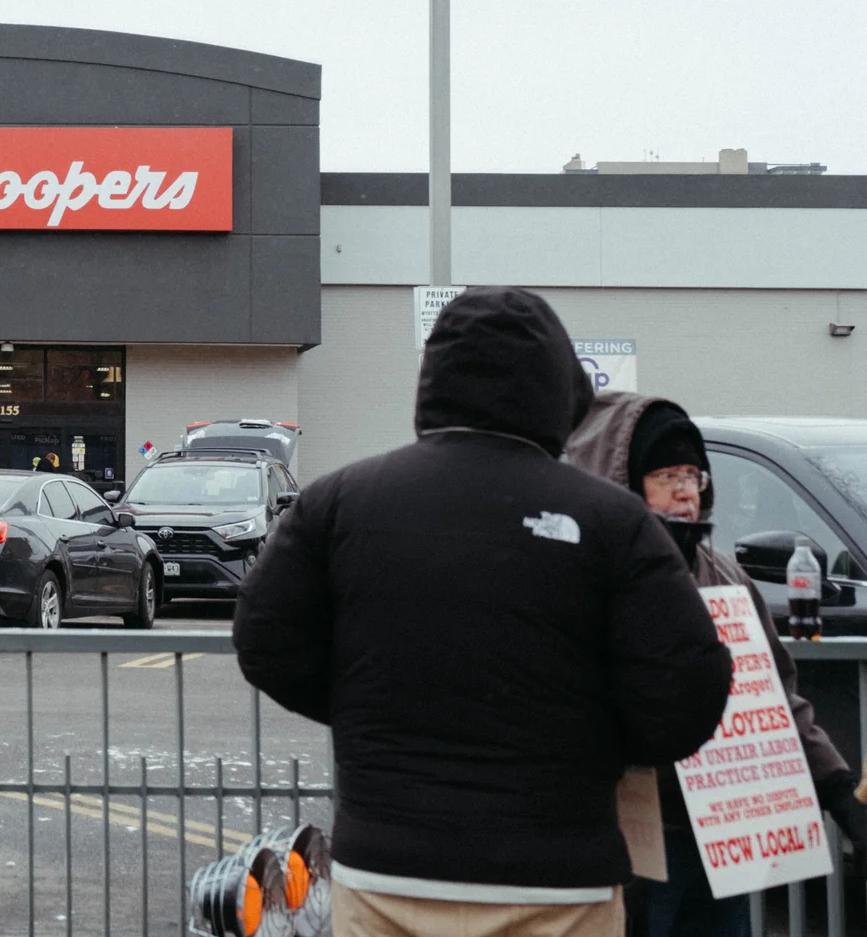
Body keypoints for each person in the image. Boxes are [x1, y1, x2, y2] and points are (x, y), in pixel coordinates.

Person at [234, 286, 734, 937]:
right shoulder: (614, 521)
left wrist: (365, 705)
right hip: (559, 882)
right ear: (560, 389)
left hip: (387, 873)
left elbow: (265, 638)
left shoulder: (341, 501)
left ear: (433, 381)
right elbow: (688, 686)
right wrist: (599, 742)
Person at [567, 391, 867, 936]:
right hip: (634, 842)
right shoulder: (589, 579)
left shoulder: (726, 575)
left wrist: (839, 790)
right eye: (667, 476)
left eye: (694, 476)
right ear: (625, 486)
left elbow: (777, 698)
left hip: (727, 838)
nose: (686, 494)